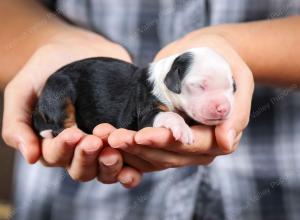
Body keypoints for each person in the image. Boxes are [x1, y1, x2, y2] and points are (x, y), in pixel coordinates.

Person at [1, 0, 299, 219]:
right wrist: (48, 41)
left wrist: (240, 49)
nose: (222, 103)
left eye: (228, 86)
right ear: (173, 81)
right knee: (62, 94)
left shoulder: (175, 82)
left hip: (276, 195)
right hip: (75, 205)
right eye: (201, 86)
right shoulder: (154, 94)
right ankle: (64, 127)